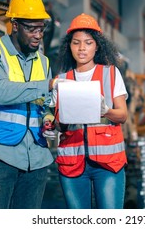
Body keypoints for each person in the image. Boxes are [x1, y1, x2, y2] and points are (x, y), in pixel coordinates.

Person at [0, 0, 55, 209]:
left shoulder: (44, 62)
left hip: (37, 156)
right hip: (0, 153)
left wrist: (49, 117)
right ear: (15, 25)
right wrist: (46, 86)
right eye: (32, 29)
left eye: (41, 28)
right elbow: (1, 92)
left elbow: (45, 104)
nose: (38, 35)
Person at [49, 13, 128, 209]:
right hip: (72, 162)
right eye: (76, 43)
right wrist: (52, 124)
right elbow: (57, 122)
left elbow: (123, 115)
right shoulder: (61, 79)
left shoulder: (110, 73)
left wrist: (106, 110)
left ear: (97, 46)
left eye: (88, 42)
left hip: (108, 164)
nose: (82, 48)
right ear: (69, 46)